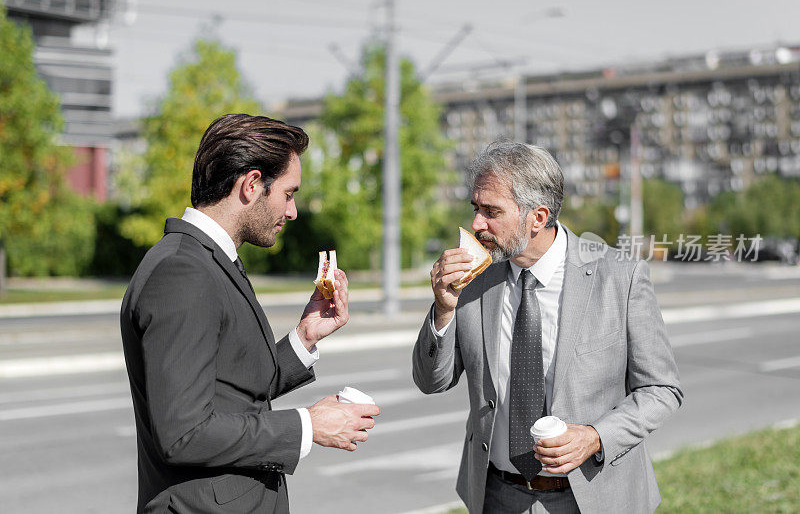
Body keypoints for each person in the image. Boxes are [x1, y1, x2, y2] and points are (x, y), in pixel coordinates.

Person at [120, 114, 380, 514]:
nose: (292, 211)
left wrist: (305, 336)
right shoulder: (183, 272)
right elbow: (184, 433)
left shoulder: (208, 260)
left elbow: (233, 388)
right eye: (288, 194)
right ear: (251, 184)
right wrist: (309, 425)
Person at [412, 140, 682, 514]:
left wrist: (595, 437)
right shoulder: (472, 282)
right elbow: (431, 382)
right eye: (475, 208)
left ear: (537, 217)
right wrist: (442, 310)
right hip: (498, 496)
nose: (475, 224)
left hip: (595, 495)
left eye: (491, 211)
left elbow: (661, 389)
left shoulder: (620, 277)